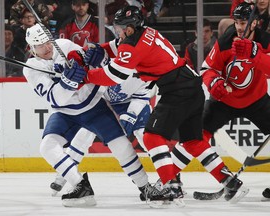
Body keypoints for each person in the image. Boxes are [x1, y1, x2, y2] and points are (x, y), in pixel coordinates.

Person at [71, 5, 246, 205]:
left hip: (178, 91)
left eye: (119, 28)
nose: (117, 31)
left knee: (152, 136)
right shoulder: (146, 32)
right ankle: (230, 181)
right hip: (192, 87)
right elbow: (117, 46)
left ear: (129, 28)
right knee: (193, 141)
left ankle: (170, 187)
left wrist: (85, 77)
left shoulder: (131, 45)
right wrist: (98, 49)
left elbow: (114, 75)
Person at [23, 23, 151, 207]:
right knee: (47, 146)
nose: (47, 47)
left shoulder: (65, 45)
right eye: (40, 45)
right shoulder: (31, 68)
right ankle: (80, 185)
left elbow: (89, 62)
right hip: (65, 113)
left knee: (121, 145)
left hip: (93, 106)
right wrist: (67, 82)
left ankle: (145, 187)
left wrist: (98, 58)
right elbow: (54, 98)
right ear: (31, 48)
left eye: (47, 42)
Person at [201, 2, 270, 199]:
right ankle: (173, 179)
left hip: (257, 100)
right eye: (237, 22)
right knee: (195, 134)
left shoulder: (265, 41)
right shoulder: (225, 40)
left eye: (243, 22)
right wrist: (214, 82)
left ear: (255, 23)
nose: (240, 27)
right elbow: (207, 69)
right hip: (225, 100)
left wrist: (255, 54)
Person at [50, 67, 152, 199]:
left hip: (131, 101)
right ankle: (65, 173)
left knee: (144, 135)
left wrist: (131, 113)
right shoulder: (108, 53)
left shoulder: (144, 65)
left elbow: (144, 93)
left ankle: (168, 177)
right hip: (102, 98)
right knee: (85, 133)